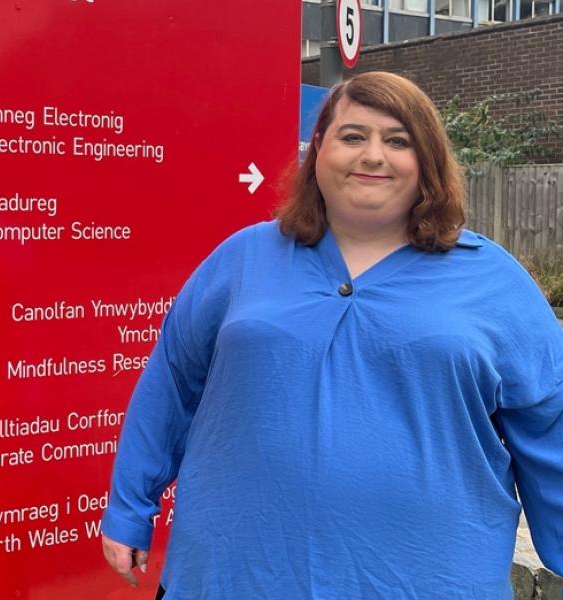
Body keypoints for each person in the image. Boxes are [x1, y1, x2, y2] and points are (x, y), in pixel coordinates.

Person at [100, 71, 563, 599]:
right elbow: (171, 383)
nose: (372, 156)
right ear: (318, 148)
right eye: (352, 136)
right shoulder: (242, 259)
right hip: (234, 574)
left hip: (428, 579)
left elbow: (549, 423)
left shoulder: (494, 281)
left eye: (398, 141)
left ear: (428, 161)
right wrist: (130, 507)